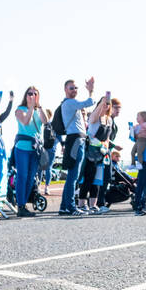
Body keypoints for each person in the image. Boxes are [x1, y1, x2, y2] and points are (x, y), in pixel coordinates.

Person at [58, 77, 96, 216]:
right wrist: (91, 91)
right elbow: (89, 102)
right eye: (71, 88)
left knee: (72, 175)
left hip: (76, 139)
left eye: (75, 88)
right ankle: (70, 207)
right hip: (75, 140)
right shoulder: (70, 103)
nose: (74, 90)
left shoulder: (70, 103)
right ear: (65, 90)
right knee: (73, 176)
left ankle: (64, 207)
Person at [13, 86, 45, 217]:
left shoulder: (38, 110)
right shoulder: (20, 110)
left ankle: (24, 204)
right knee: (22, 176)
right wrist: (31, 107)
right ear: (25, 96)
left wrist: (39, 106)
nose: (32, 96)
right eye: (29, 94)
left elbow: (46, 121)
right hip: (22, 147)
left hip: (35, 148)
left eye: (35, 94)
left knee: (31, 178)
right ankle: (20, 205)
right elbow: (25, 122)